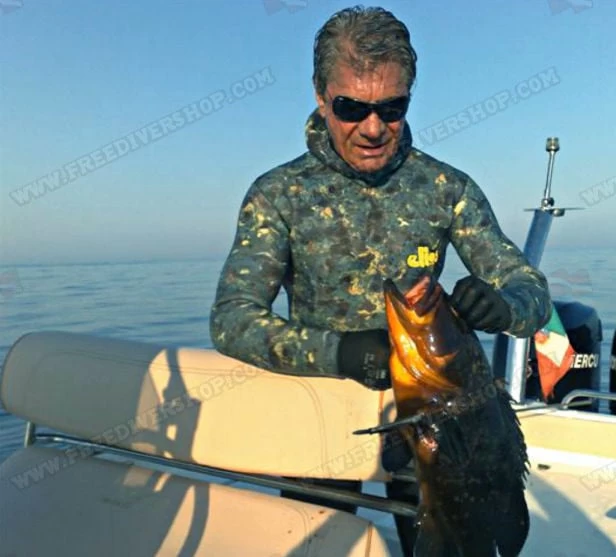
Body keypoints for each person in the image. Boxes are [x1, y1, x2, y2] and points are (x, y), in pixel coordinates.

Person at [210, 6, 552, 555]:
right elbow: (232, 320)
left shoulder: (447, 188)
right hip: (320, 414)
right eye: (351, 107)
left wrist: (503, 306)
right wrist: (340, 353)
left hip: (436, 427)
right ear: (321, 97)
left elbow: (530, 292)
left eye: (392, 108)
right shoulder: (277, 195)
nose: (373, 128)